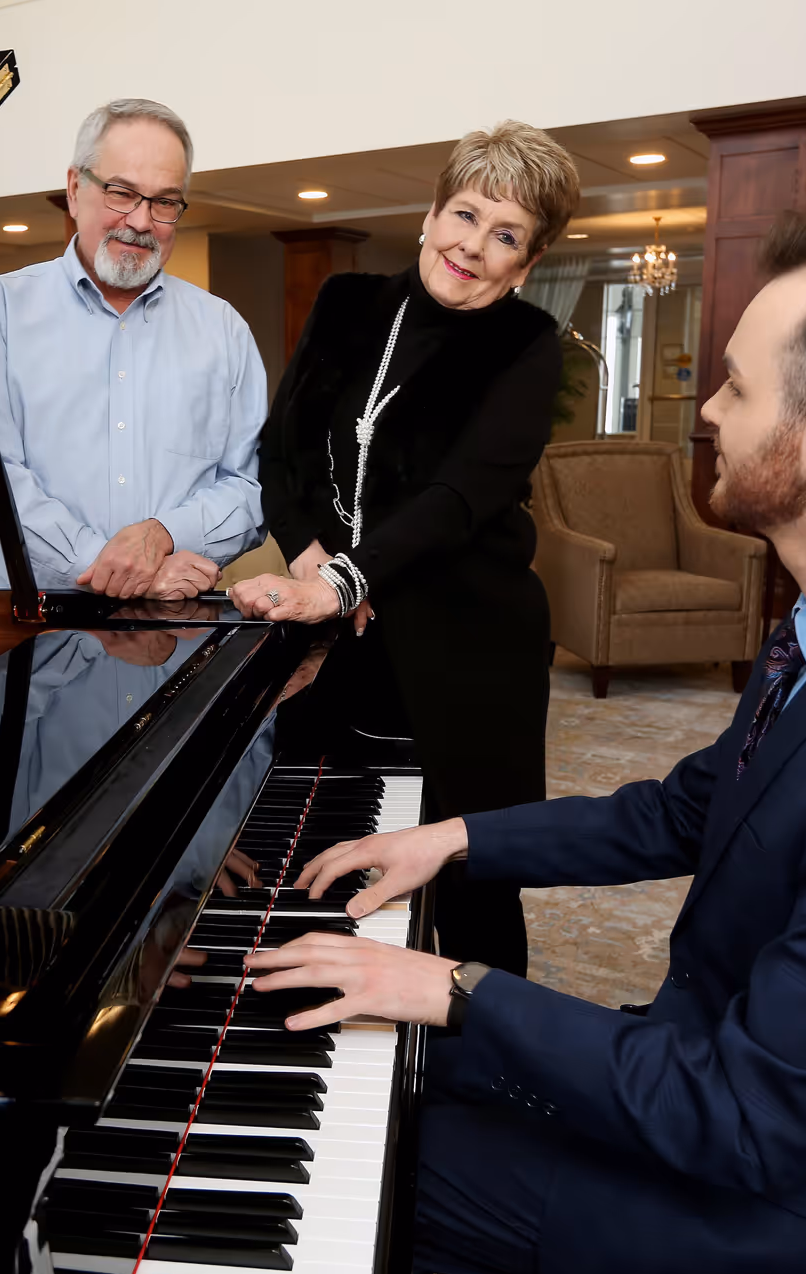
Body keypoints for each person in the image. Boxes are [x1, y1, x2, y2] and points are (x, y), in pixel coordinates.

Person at [247, 206, 806, 1274]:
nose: (709, 409)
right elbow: (684, 810)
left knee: (353, 1155)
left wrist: (451, 981)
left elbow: (747, 1119)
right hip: (736, 1086)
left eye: (738, 387)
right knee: (374, 1058)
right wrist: (451, 838)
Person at [229, 120, 580, 976]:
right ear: (430, 214)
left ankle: (481, 1048)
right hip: (338, 637)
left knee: (469, 872)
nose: (473, 246)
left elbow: (461, 495)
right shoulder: (346, 302)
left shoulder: (528, 345)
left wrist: (349, 577)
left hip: (468, 643)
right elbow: (282, 450)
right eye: (464, 215)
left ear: (526, 264)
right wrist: (311, 551)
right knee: (317, 839)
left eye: (505, 236)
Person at [0, 99, 265, 599]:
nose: (141, 221)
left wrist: (163, 534)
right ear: (75, 190)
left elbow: (250, 487)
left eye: (165, 202)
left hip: (177, 629)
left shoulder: (223, 329)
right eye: (121, 193)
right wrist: (109, 567)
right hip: (39, 635)